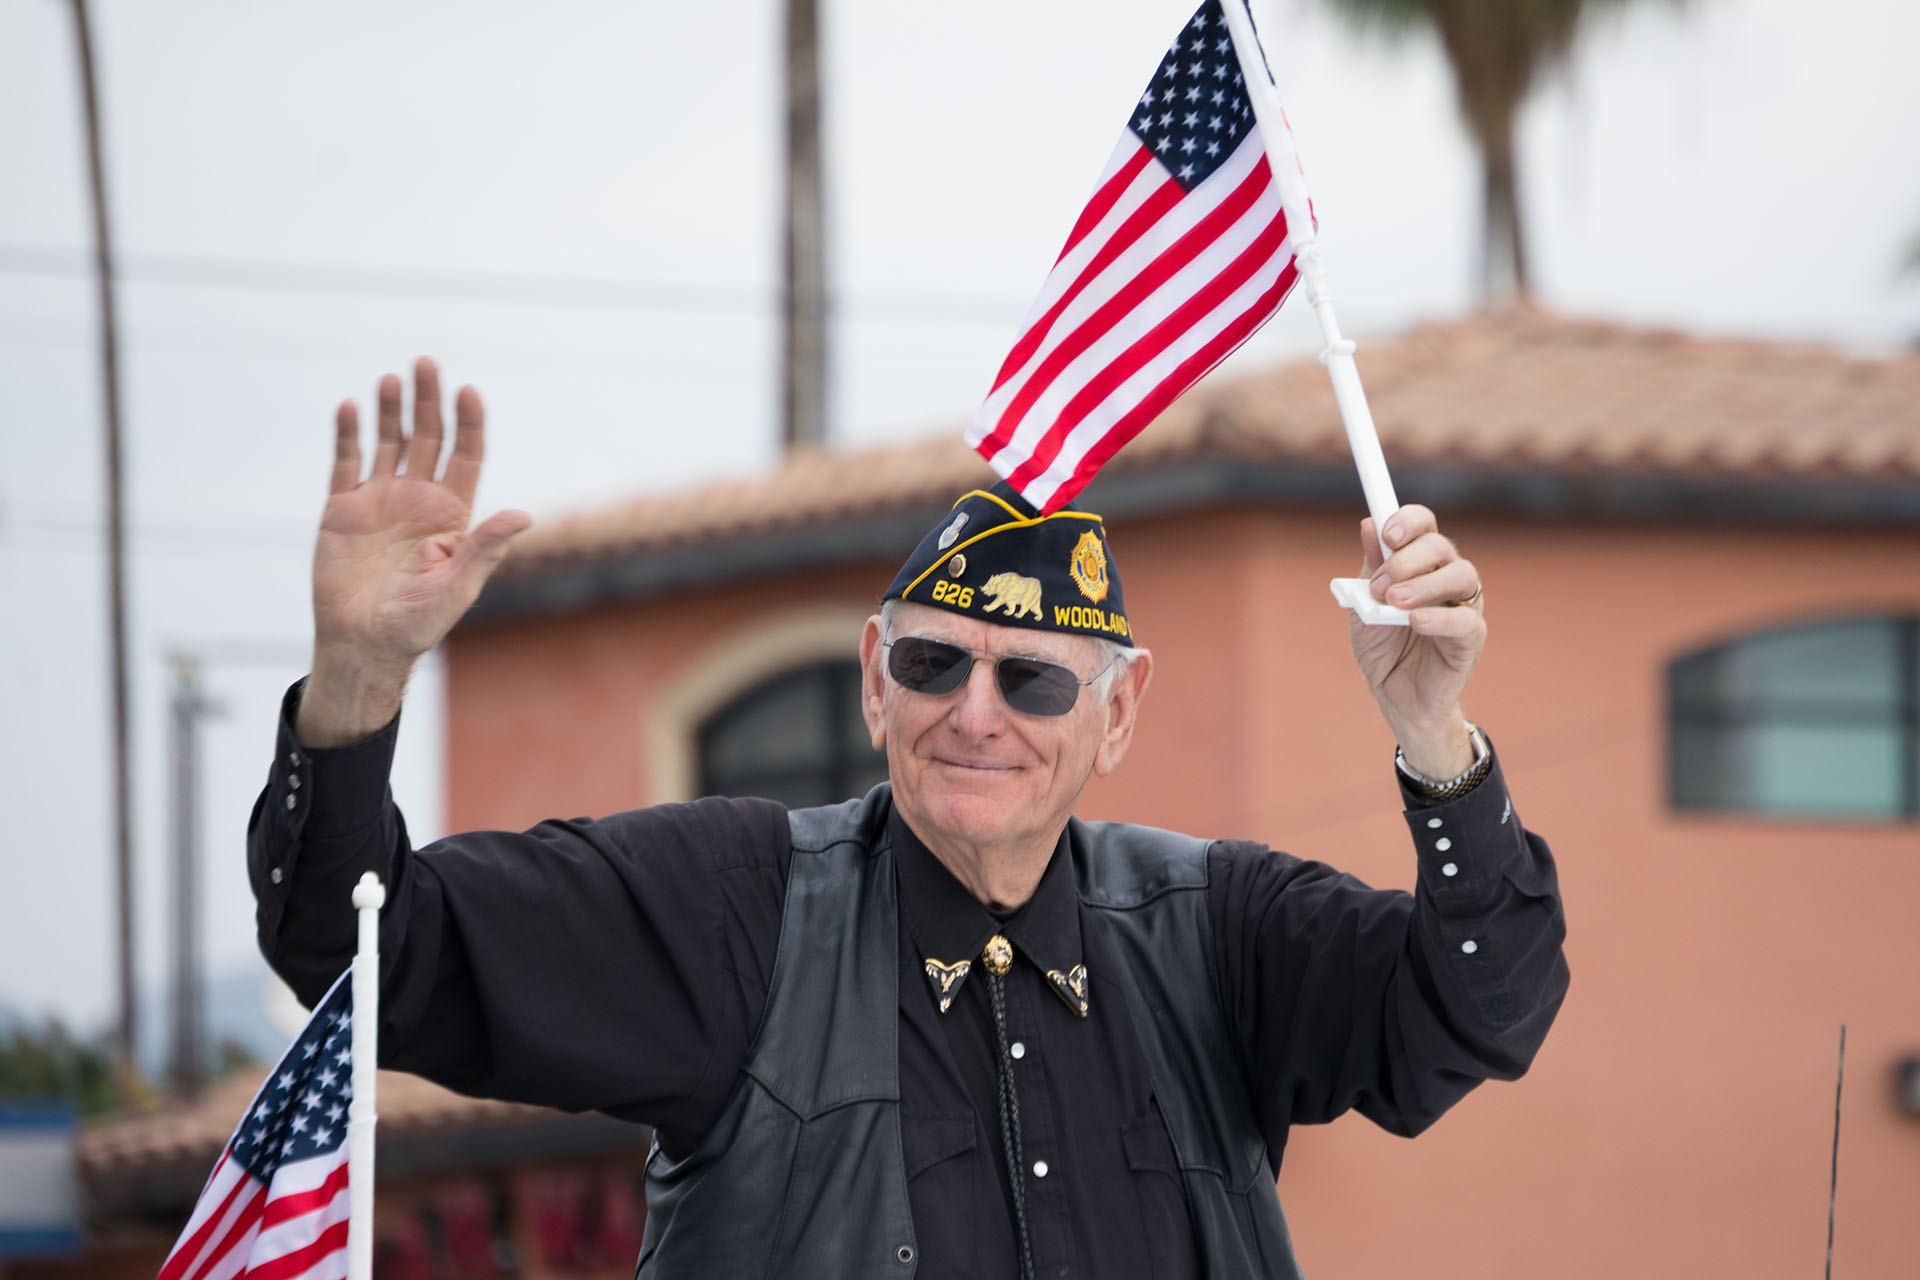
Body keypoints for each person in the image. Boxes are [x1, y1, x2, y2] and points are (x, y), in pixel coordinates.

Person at [251, 358, 1568, 1279]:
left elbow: (1479, 1012)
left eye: (1035, 680)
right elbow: (367, 953)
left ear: (1118, 715)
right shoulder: (735, 909)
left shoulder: (1218, 932)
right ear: (876, 679)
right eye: (938, 666)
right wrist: (359, 676)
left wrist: (1432, 736)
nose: (976, 714)